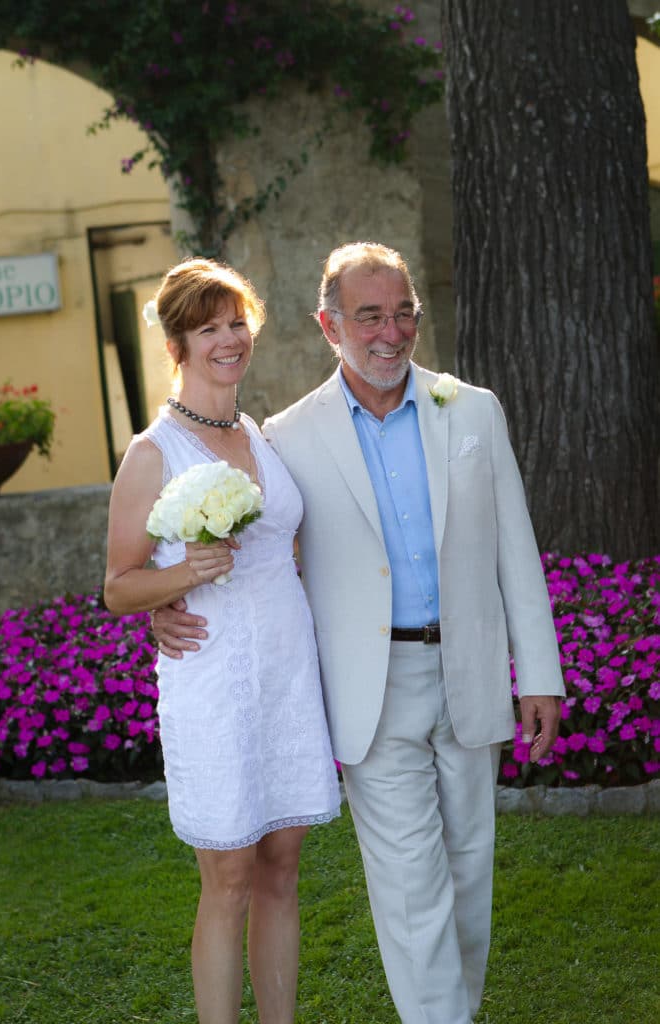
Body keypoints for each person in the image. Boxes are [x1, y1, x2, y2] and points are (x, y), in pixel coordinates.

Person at [153, 242, 565, 1024]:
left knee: (470, 872)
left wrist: (538, 672)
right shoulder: (286, 436)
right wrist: (161, 601)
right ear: (328, 325)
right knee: (411, 886)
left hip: (471, 673)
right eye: (369, 315)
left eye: (402, 312)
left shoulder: (471, 408)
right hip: (371, 691)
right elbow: (257, 548)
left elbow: (518, 544)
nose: (390, 331)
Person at [104, 257, 340, 1024]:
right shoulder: (153, 454)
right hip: (213, 681)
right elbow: (117, 586)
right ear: (177, 346)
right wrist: (177, 583)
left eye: (236, 321)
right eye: (208, 328)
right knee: (229, 875)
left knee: (282, 870)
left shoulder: (260, 435)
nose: (228, 339)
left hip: (287, 674)